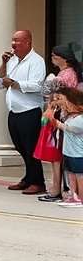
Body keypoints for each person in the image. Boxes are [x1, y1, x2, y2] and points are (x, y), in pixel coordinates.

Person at [0, 30, 46, 195]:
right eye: (12, 40)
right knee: (20, 146)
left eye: (17, 41)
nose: (13, 44)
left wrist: (14, 83)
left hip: (29, 111)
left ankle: (38, 182)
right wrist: (4, 64)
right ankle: (28, 178)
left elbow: (37, 86)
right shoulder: (12, 61)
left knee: (31, 148)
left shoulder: (36, 61)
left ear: (28, 42)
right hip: (14, 110)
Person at [36, 45, 82, 201]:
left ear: (64, 58)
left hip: (61, 116)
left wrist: (49, 111)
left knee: (57, 156)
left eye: (55, 55)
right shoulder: (72, 74)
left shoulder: (62, 76)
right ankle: (64, 189)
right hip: (67, 115)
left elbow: (53, 96)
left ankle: (57, 189)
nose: (52, 57)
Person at [45, 88, 83, 208]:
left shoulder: (79, 119)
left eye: (61, 99)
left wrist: (52, 118)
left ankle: (81, 197)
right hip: (68, 152)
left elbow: (68, 128)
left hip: (78, 154)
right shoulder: (70, 117)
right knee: (71, 175)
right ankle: (73, 195)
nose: (60, 103)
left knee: (79, 176)